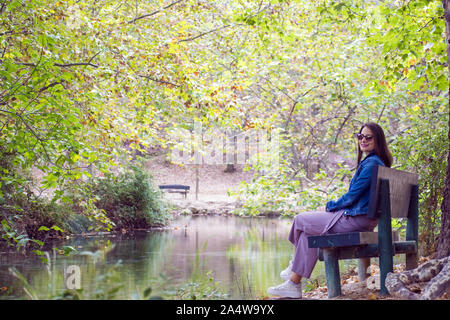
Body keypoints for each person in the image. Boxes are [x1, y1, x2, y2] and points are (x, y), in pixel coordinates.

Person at [267, 122, 393, 298]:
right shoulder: (376, 162)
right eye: (360, 136)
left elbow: (351, 197)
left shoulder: (372, 164)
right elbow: (355, 198)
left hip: (357, 219)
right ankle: (293, 284)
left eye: (368, 137)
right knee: (307, 234)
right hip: (362, 217)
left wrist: (329, 206)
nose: (363, 140)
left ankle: (293, 267)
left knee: (300, 220)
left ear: (377, 139)